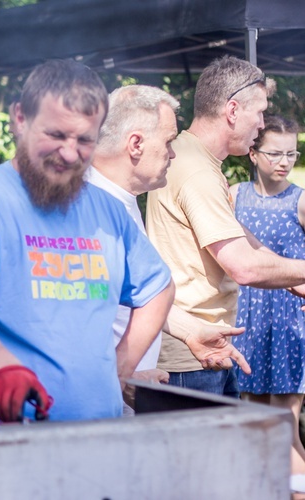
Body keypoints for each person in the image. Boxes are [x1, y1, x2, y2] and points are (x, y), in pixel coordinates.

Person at [0, 59, 175, 427]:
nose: (70, 153)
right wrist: (3, 368)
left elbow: (158, 288)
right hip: (3, 438)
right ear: (20, 119)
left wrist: (122, 366)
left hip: (99, 436)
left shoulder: (109, 212)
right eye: (56, 135)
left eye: (85, 140)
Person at [146, 56, 305, 400]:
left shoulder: (190, 155)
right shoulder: (198, 171)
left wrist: (296, 277)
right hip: (190, 357)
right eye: (259, 112)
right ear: (232, 110)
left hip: (200, 348)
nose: (262, 124)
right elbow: (243, 266)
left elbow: (235, 236)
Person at [87, 84, 251, 412]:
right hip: (93, 411)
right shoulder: (90, 212)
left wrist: (191, 331)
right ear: (135, 144)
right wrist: (118, 377)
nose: (173, 154)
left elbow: (135, 294)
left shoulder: (121, 203)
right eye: (168, 142)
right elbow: (72, 322)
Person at [229, 115, 305, 481]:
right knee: (255, 422)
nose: (284, 161)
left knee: (284, 428)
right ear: (253, 153)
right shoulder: (233, 196)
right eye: (275, 153)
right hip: (247, 319)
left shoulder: (300, 201)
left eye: (292, 153)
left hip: (290, 320)